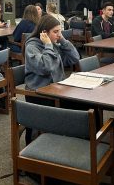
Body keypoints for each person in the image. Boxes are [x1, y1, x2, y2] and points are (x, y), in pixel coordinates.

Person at [24, 15, 80, 144]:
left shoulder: (55, 43)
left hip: (56, 89)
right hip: (40, 93)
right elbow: (45, 67)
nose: (58, 35)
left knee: (89, 106)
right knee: (82, 108)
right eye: (55, 32)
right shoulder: (32, 46)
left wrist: (64, 41)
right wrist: (48, 45)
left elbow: (74, 58)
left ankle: (82, 143)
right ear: (44, 33)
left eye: (60, 31)